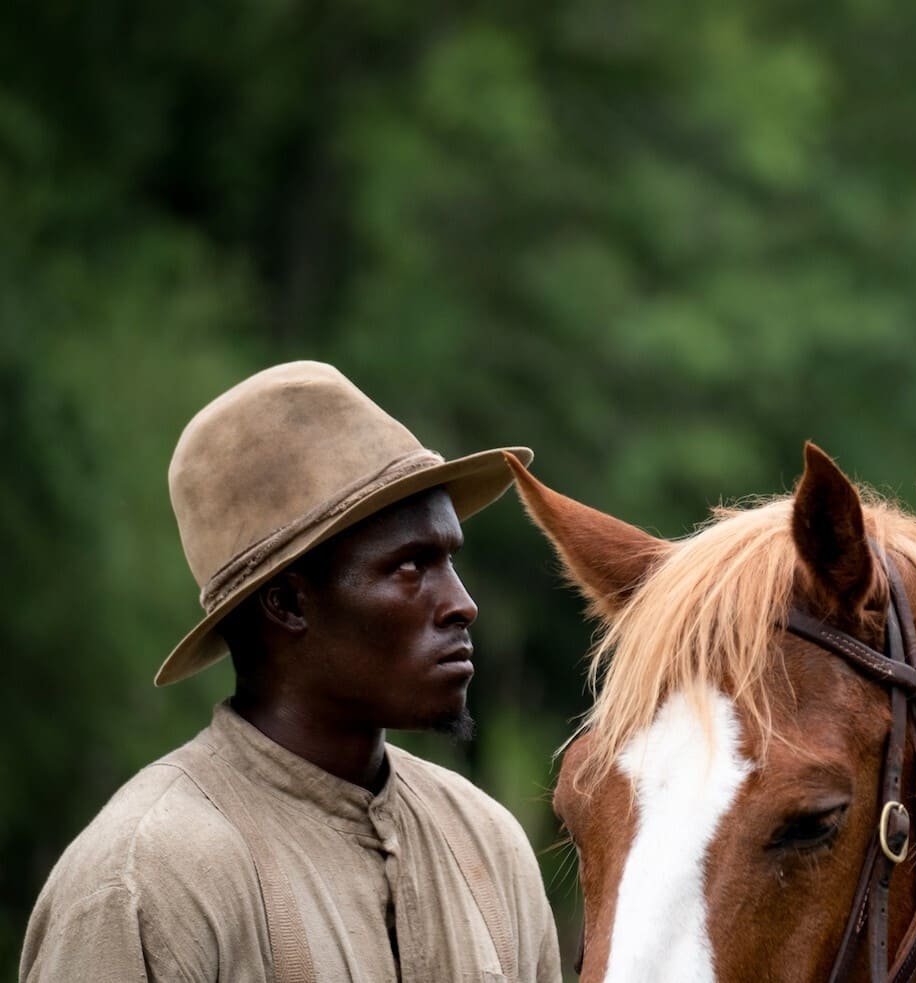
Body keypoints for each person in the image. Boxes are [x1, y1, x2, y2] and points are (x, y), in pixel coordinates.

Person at [20, 361, 562, 982]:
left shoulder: (486, 844)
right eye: (411, 567)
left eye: (449, 560)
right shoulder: (148, 880)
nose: (462, 604)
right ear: (288, 604)